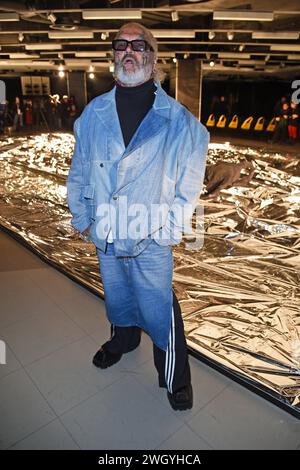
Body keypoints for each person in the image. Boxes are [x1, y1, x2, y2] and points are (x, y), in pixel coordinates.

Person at [67, 22, 209, 411]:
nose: (129, 51)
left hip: (151, 237)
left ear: (152, 56)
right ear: (114, 54)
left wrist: (168, 232)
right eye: (121, 44)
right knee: (118, 297)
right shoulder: (94, 114)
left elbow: (188, 188)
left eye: (138, 45)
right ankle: (123, 340)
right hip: (108, 232)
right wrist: (83, 216)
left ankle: (174, 376)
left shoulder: (179, 122)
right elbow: (79, 170)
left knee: (159, 306)